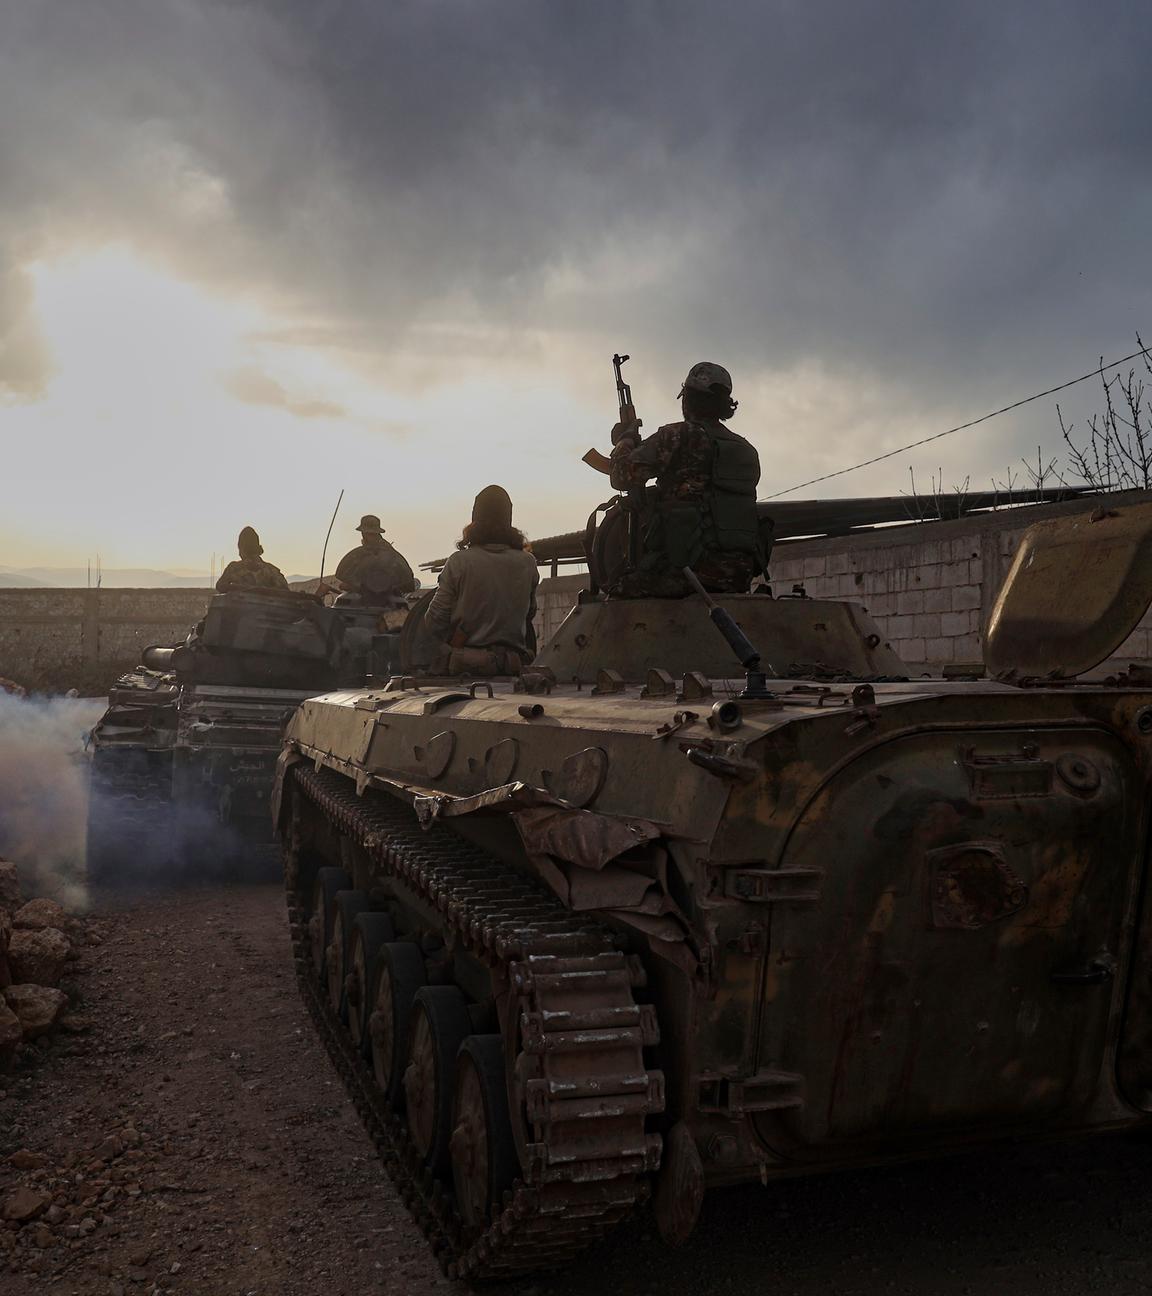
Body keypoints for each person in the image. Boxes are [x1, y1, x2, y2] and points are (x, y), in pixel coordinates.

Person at [607, 361, 765, 598]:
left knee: (617, 589)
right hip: (738, 575)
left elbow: (620, 477)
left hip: (687, 574)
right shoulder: (746, 450)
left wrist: (625, 440)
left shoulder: (678, 436)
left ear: (687, 400)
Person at [424, 486, 539, 674]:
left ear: (474, 519)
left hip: (465, 669)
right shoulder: (528, 563)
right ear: (509, 519)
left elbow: (434, 620)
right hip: (512, 667)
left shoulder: (459, 562)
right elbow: (529, 614)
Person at [333, 515, 417, 606]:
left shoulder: (362, 556)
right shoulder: (392, 555)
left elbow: (408, 585)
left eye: (370, 534)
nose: (368, 536)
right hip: (381, 604)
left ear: (363, 533)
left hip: (380, 604)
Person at [215, 527, 289, 593]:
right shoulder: (272, 570)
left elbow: (220, 586)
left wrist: (236, 588)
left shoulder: (234, 569)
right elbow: (286, 592)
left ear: (242, 548)